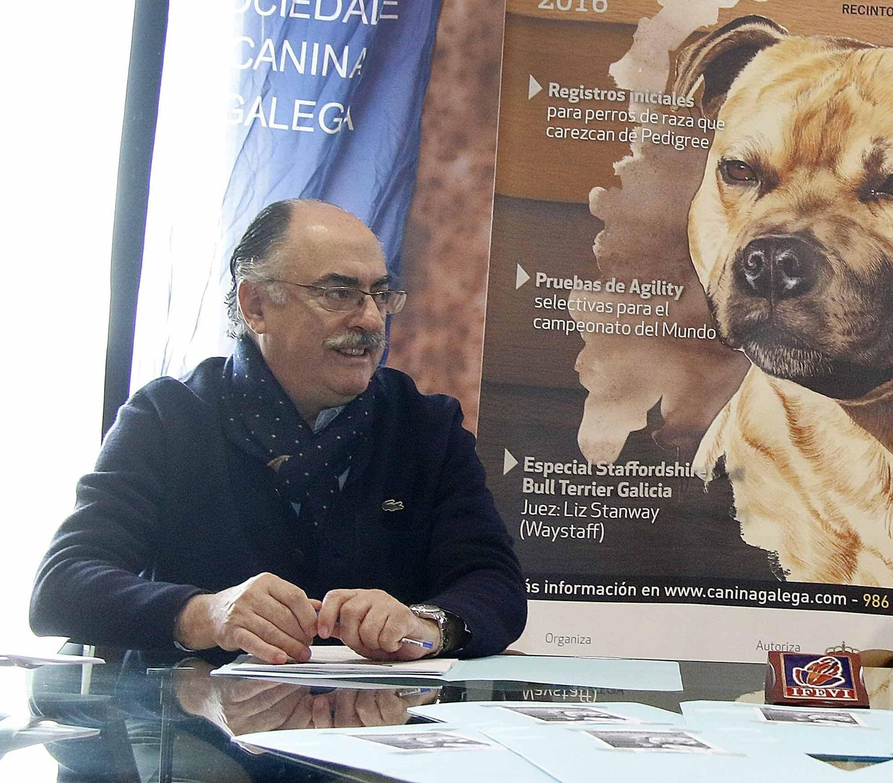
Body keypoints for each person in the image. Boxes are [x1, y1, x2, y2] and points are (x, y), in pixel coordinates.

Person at [32, 200, 526, 662]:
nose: (372, 319)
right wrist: (204, 614)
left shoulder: (424, 426)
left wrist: (427, 625)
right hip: (196, 735)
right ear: (256, 306)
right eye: (339, 294)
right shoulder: (169, 417)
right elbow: (62, 586)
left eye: (379, 294)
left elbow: (495, 585)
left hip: (375, 736)